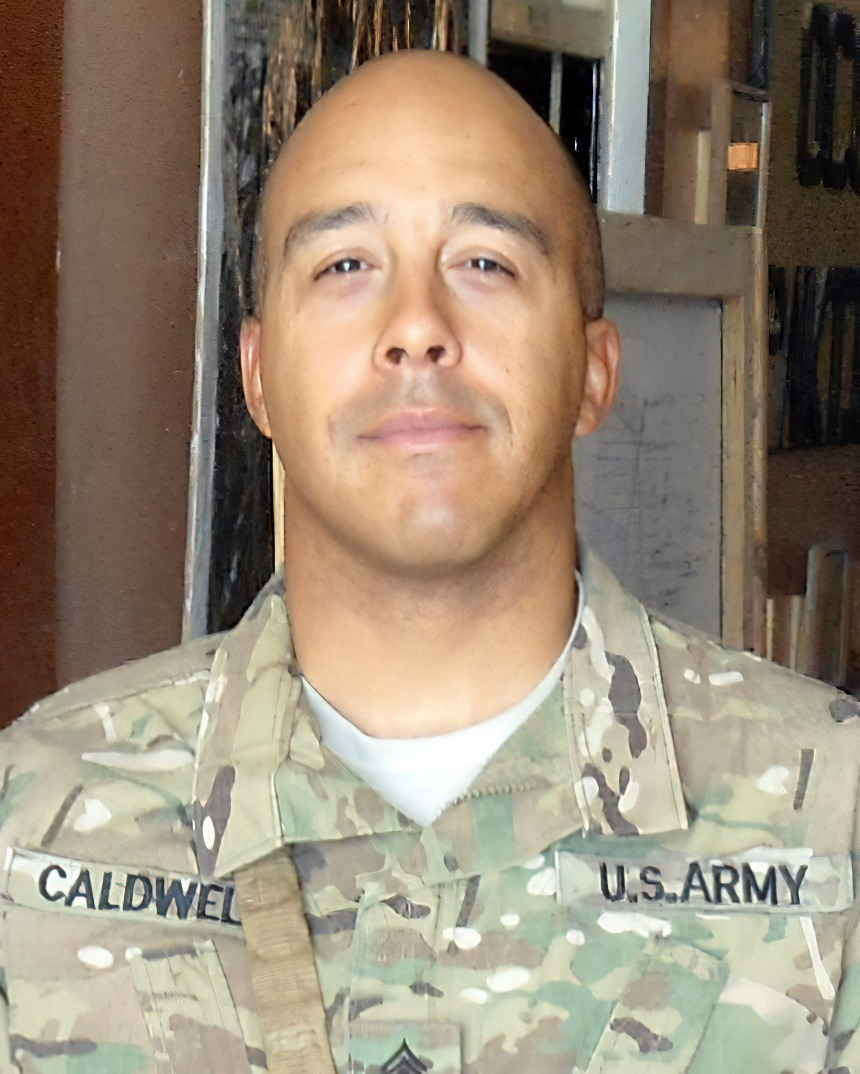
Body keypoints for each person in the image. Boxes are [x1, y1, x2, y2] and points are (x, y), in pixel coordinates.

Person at [2, 48, 860, 1074]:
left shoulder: (830, 817)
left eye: (485, 263)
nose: (415, 328)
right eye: (344, 266)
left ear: (594, 371)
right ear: (259, 376)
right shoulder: (34, 821)